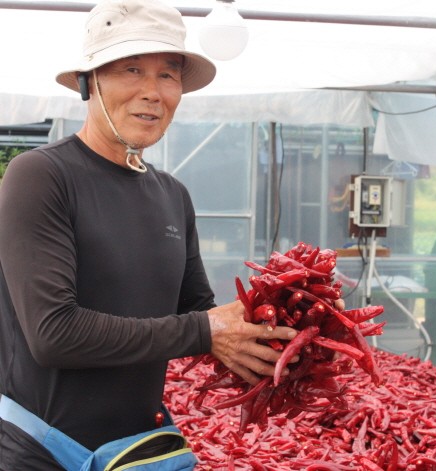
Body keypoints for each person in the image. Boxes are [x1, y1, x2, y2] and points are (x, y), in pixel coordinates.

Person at [0, 0, 298, 469]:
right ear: (88, 82)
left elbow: (199, 313)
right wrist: (205, 329)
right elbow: (53, 333)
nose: (152, 92)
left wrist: (291, 315)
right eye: (131, 69)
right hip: (40, 451)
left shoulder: (172, 194)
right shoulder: (40, 175)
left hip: (136, 451)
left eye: (168, 74)